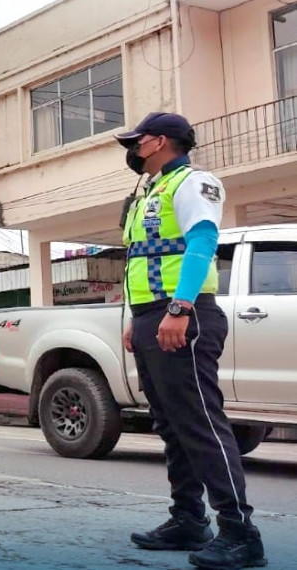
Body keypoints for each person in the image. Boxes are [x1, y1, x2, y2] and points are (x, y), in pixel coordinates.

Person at [117, 112, 266, 570]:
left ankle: (241, 533)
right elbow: (144, 261)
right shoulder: (152, 191)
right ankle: (188, 519)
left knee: (200, 424)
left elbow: (202, 243)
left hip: (183, 314)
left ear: (159, 141)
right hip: (151, 317)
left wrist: (179, 309)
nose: (132, 149)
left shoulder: (193, 183)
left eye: (137, 141)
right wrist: (137, 319)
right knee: (171, 425)